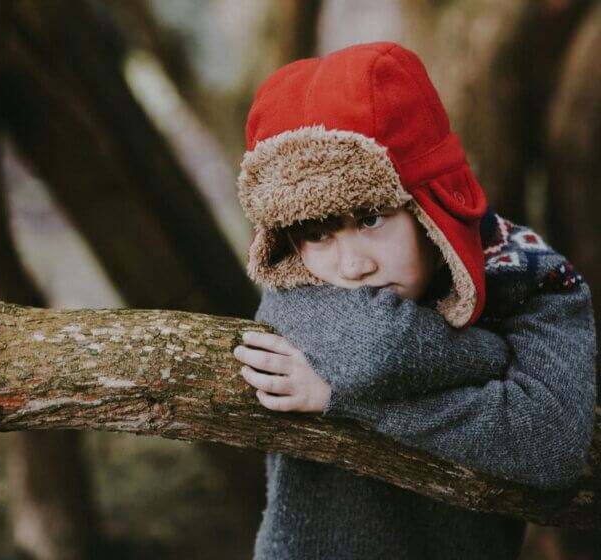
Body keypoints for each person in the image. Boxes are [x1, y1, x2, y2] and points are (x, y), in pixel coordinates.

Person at [231, 41, 597, 560]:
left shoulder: (535, 279)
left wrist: (344, 398)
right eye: (318, 233)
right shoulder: (294, 276)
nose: (352, 266)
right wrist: (491, 358)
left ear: (429, 205)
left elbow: (550, 445)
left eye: (371, 218)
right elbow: (378, 349)